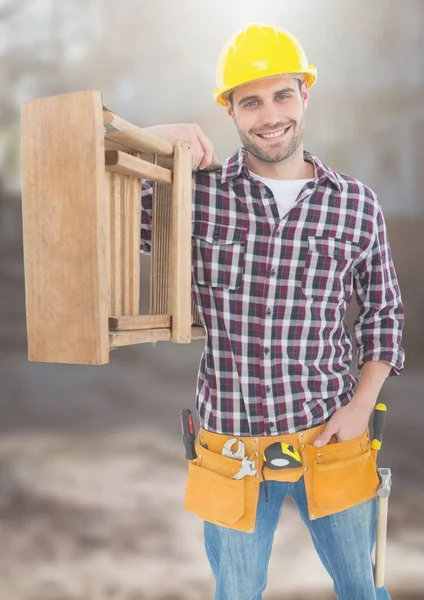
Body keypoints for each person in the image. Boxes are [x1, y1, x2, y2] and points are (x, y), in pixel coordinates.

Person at [140, 24, 405, 600]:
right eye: (250, 101)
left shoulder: (356, 204)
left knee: (363, 589)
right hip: (230, 447)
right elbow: (87, 193)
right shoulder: (194, 195)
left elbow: (384, 312)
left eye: (282, 94)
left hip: (332, 438)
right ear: (230, 111)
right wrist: (151, 138)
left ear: (305, 94)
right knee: (236, 595)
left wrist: (361, 408)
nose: (269, 114)